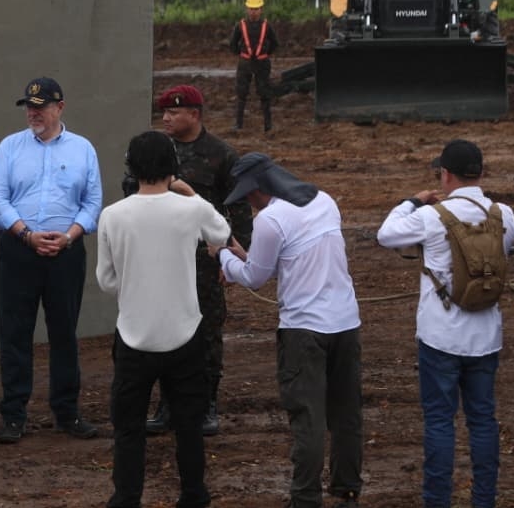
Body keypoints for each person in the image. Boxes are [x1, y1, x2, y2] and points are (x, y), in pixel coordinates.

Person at [376, 140, 514, 508]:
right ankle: (483, 500)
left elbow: (386, 234)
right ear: (481, 173)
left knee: (440, 422)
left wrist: (412, 201)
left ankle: (437, 501)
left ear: (445, 174)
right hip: (486, 335)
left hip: (440, 335)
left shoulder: (431, 216)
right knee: (483, 420)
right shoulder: (503, 214)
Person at [215, 153, 362, 508]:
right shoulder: (324, 200)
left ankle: (305, 498)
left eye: (249, 196)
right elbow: (296, 260)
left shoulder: (271, 220)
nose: (249, 203)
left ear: (260, 189)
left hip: (303, 331)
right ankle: (347, 490)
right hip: (345, 323)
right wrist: (242, 255)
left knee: (307, 417)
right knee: (345, 413)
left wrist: (222, 256)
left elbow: (255, 277)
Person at [97, 130, 228, 508]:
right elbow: (221, 231)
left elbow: (106, 281)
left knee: (128, 427)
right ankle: (193, 494)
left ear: (131, 167)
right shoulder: (191, 209)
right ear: (173, 167)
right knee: (189, 425)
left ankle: (126, 497)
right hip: (185, 332)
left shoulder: (113, 216)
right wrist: (190, 194)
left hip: (134, 335)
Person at [0, 77, 102, 444]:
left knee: (64, 332)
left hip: (65, 252)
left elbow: (93, 202)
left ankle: (67, 412)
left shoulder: (83, 149)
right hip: (19, 249)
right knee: (16, 332)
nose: (33, 113)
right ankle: (14, 414)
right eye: (29, 107)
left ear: (60, 108)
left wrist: (68, 236)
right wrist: (27, 234)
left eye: (41, 106)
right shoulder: (9, 147)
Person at [136, 85, 251, 436]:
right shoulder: (155, 151)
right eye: (164, 113)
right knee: (166, 330)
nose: (166, 118)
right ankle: (168, 405)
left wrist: (234, 255)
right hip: (162, 257)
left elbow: (239, 208)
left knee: (206, 331)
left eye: (174, 112)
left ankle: (206, 405)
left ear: (195, 115)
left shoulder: (220, 155)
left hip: (204, 260)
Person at [228, 0, 278, 132]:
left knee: (264, 94)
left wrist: (265, 54)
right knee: (241, 94)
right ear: (247, 9)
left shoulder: (267, 26)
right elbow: (232, 44)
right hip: (245, 64)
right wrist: (243, 55)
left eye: (256, 9)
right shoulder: (240, 25)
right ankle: (238, 125)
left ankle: (268, 126)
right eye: (251, 9)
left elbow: (275, 43)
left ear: (261, 9)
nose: (253, 12)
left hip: (262, 64)